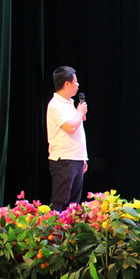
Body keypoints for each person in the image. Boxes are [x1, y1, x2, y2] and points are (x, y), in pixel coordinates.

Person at [46, 66, 89, 211]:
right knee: (60, 200)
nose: (78, 84)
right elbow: (70, 127)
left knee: (73, 204)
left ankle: (69, 226)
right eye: (75, 81)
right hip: (63, 159)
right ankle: (52, 225)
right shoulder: (55, 105)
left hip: (75, 158)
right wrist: (80, 112)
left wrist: (82, 158)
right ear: (67, 83)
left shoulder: (69, 103)